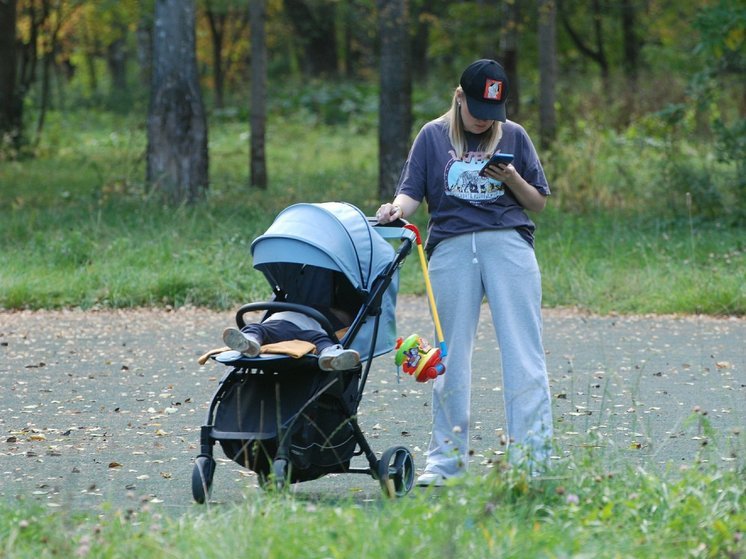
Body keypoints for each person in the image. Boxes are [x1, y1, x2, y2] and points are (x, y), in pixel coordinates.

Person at [376, 59, 553, 485]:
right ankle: (446, 464)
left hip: (508, 244)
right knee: (449, 356)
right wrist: (395, 210)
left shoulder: (514, 134)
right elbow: (411, 192)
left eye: (492, 113)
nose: (484, 121)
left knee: (523, 353)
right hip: (451, 249)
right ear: (459, 98)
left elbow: (538, 202)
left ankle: (532, 460)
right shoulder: (432, 136)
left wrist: (510, 176)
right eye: (477, 111)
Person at [222, 309, 360, 372]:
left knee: (255, 328)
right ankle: (329, 353)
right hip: (304, 331)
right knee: (321, 340)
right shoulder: (321, 319)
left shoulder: (298, 306)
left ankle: (250, 341)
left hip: (274, 326)